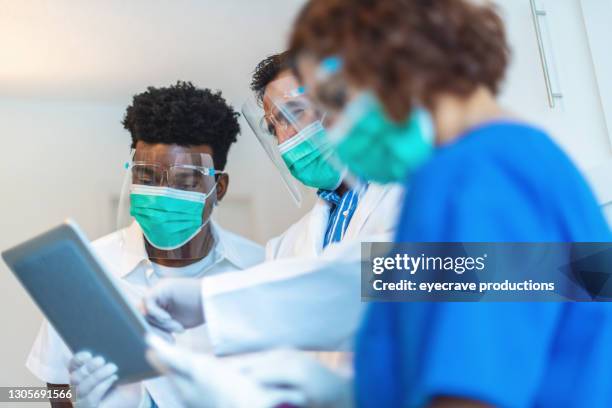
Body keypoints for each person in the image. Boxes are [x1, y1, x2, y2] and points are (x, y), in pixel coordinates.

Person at [285, 0, 612, 407]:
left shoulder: (471, 176)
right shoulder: (525, 156)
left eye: (336, 100)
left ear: (397, 58)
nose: (331, 130)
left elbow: (473, 389)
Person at [143, 53, 403, 358]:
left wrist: (214, 300)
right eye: (274, 125)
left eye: (294, 112)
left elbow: (439, 275)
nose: (285, 135)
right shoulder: (284, 247)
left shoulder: (416, 192)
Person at [26, 81, 264, 408]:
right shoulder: (85, 272)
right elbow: (57, 388)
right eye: (147, 177)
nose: (162, 192)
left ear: (219, 187)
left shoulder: (260, 269)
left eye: (184, 180)